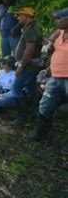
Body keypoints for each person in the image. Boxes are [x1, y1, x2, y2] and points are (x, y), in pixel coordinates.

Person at [27, 8, 68, 141]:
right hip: (55, 77)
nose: (57, 21)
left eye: (59, 19)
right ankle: (41, 135)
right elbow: (54, 49)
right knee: (45, 106)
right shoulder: (59, 33)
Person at [11, 7, 44, 126]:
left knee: (15, 88)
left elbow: (29, 50)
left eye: (20, 15)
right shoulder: (32, 28)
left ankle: (22, 117)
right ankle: (33, 114)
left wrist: (21, 66)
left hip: (29, 66)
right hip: (31, 65)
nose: (18, 17)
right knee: (31, 89)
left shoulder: (30, 30)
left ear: (27, 16)